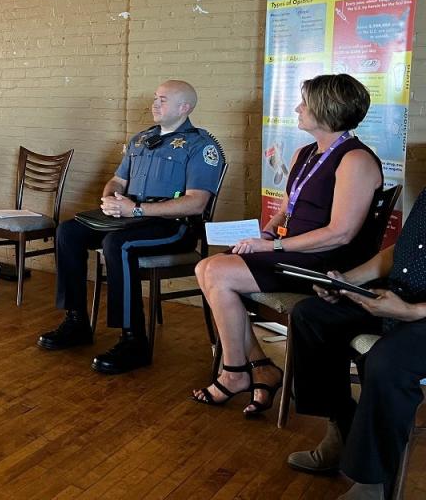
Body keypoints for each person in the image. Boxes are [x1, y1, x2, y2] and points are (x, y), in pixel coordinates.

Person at [193, 74, 382, 416]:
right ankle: (257, 368)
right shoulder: (305, 152)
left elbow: (341, 233)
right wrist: (266, 234)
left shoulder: (356, 160)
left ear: (327, 110)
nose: (298, 108)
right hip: (292, 253)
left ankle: (237, 372)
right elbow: (285, 210)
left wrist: (272, 248)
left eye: (305, 103)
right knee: (207, 267)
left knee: (216, 272)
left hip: (326, 262)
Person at [38, 80, 225, 374]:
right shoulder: (141, 140)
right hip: (129, 217)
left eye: (163, 100)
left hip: (173, 226)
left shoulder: (201, 146)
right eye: (155, 98)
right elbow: (117, 182)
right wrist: (109, 199)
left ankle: (134, 340)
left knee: (118, 244)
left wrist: (136, 209)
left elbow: (196, 203)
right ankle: (76, 322)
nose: (155, 104)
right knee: (68, 231)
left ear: (184, 107)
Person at [286, 186, 426, 500]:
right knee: (311, 316)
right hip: (401, 299)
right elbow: (398, 252)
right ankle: (343, 433)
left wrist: (412, 311)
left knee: (387, 361)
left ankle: (372, 483)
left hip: (420, 312)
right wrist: (347, 281)